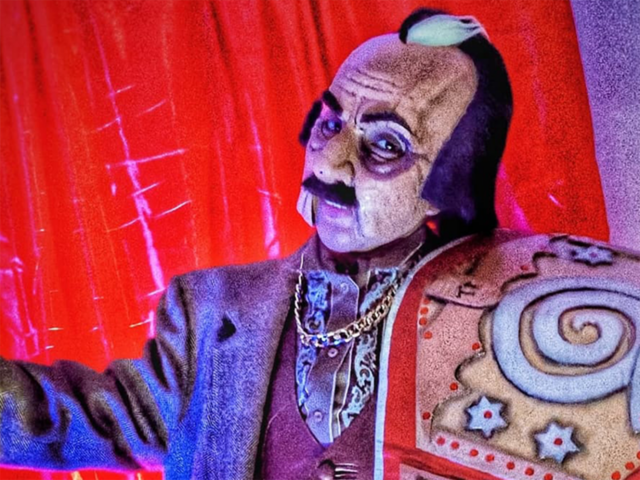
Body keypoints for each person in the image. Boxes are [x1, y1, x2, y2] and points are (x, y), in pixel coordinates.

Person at [0, 7, 514, 480]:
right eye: (331, 123)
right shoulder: (208, 313)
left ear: (450, 181)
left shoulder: (502, 326)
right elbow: (79, 419)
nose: (328, 164)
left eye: (384, 144)